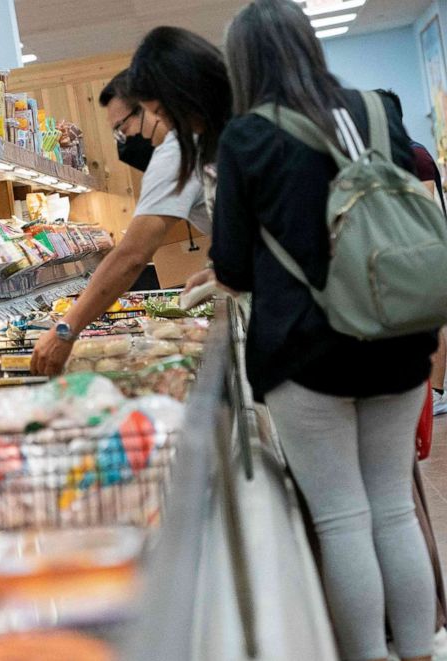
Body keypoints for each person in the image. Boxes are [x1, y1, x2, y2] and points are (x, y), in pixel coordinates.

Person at [214, 1, 437, 660]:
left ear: (243, 64)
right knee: (394, 508)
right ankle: (421, 652)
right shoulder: (380, 108)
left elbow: (231, 266)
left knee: (343, 517)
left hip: (306, 350)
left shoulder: (246, 136)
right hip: (398, 334)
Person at [30, 39, 231, 376]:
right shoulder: (204, 136)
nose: (124, 141)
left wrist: (65, 329)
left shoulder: (175, 149)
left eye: (122, 128)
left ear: (152, 106)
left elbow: (132, 255)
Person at [376, 89, 447, 417]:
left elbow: (423, 209)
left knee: (436, 322)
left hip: (429, 249)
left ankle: (436, 393)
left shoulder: (414, 154)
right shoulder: (386, 157)